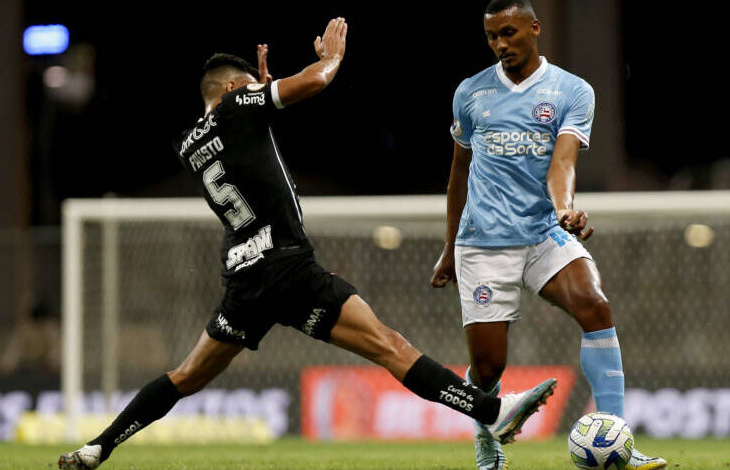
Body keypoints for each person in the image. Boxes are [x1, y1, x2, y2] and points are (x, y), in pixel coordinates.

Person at [58, 18, 557, 470]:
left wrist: (261, 90)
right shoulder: (238, 105)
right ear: (233, 88)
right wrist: (330, 59)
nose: (258, 91)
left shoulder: (192, 142)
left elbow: (245, 142)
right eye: (250, 87)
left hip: (245, 278)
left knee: (186, 376)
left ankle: (97, 447)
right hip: (286, 265)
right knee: (391, 346)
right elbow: (313, 82)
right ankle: (492, 411)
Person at [430, 2, 666, 470]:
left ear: (534, 29)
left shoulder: (571, 91)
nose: (501, 45)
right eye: (493, 36)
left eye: (510, 33)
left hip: (541, 232)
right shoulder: (470, 93)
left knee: (594, 304)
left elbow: (563, 162)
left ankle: (616, 440)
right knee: (489, 367)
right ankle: (487, 439)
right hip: (482, 242)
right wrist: (448, 247)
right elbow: (459, 172)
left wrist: (565, 209)